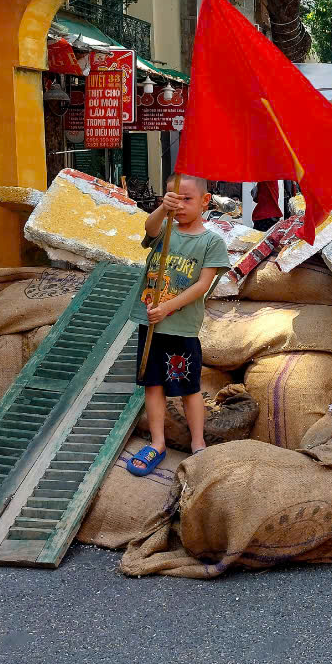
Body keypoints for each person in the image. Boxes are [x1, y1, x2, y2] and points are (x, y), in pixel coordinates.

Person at [128, 174, 230, 476]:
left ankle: (198, 444)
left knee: (189, 388)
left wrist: (168, 307)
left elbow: (202, 285)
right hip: (151, 326)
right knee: (153, 385)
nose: (181, 205)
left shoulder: (212, 241)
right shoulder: (164, 230)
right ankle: (157, 443)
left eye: (187, 199)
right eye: (174, 198)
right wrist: (162, 208)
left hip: (181, 328)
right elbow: (149, 228)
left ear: (204, 201)